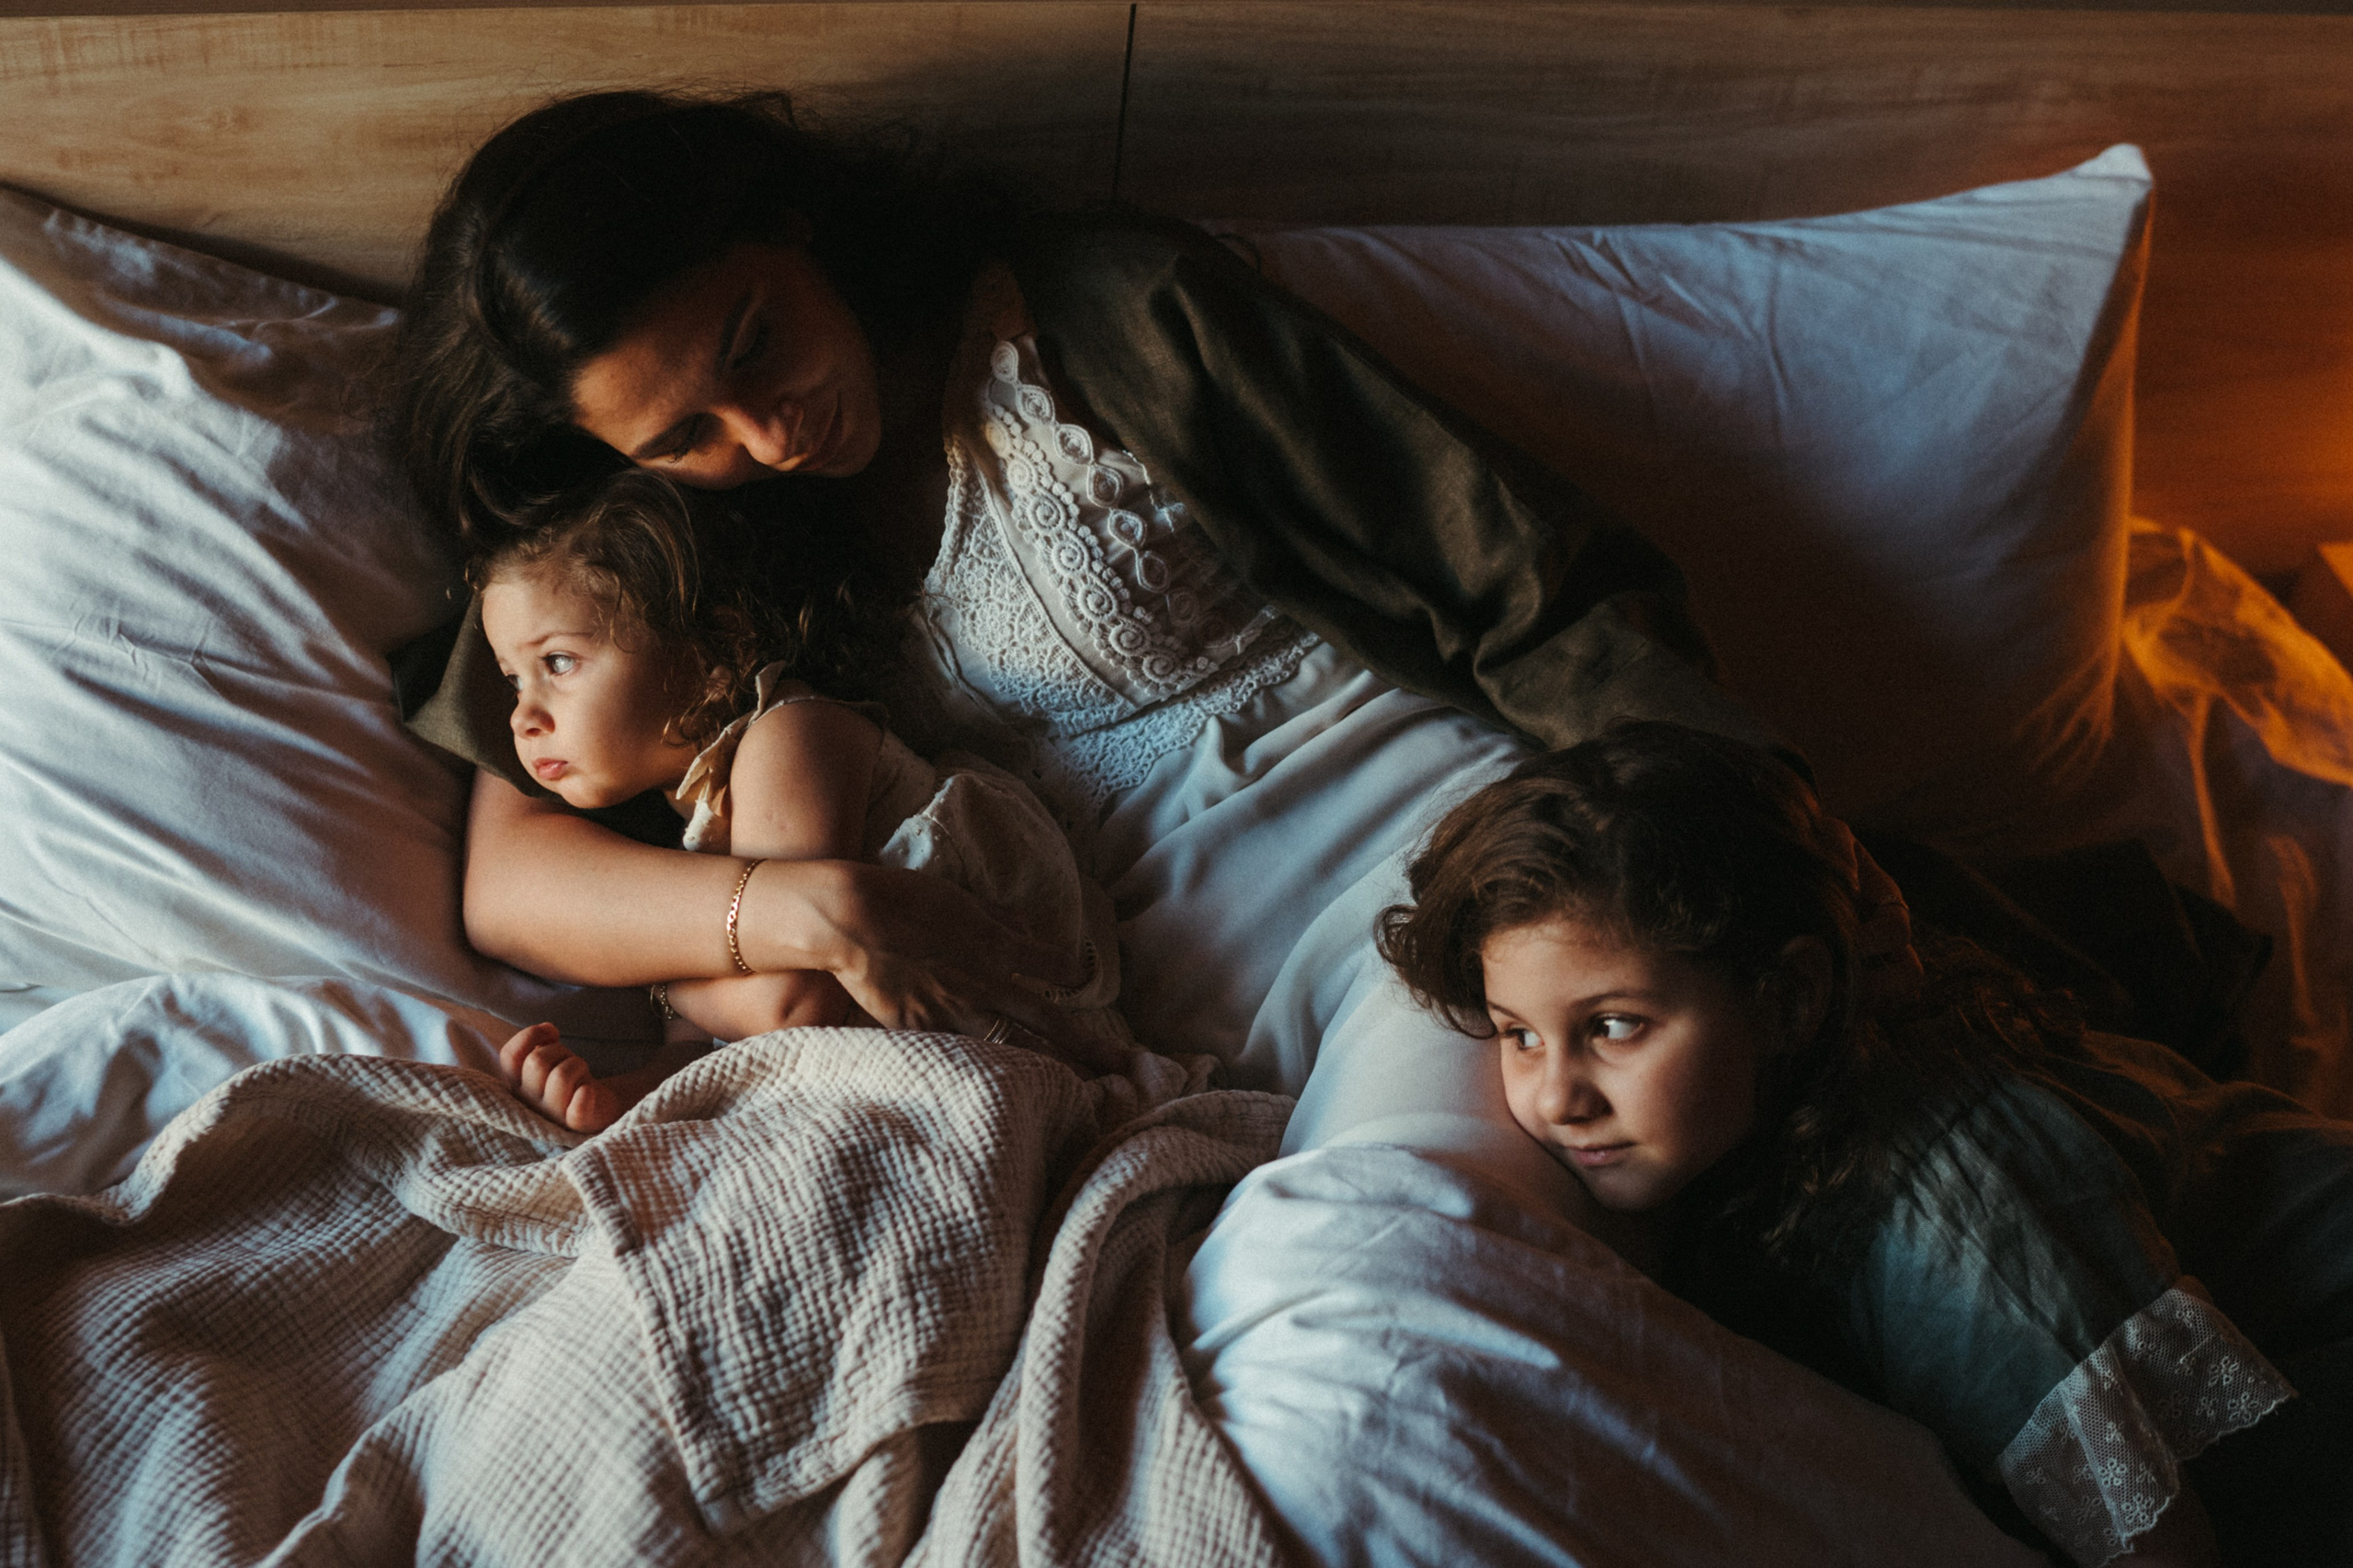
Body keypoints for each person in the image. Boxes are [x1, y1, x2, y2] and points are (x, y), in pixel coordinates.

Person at [382, 86, 1861, 1099]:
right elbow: (513, 876)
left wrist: (1743, 848)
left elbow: (1524, 574)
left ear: (793, 222)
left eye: (757, 343)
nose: (766, 433)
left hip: (1458, 877)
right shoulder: (668, 545)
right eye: (680, 435)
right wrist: (806, 907)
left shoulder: (1102, 318)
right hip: (1209, 1042)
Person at [1376, 722, 2353, 1568]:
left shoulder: (1950, 1215)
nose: (1554, 1095)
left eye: (1615, 1025)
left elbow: (2164, 1547)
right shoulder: (1758, 1129)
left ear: (1786, 998)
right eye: (1519, 1033)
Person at [472, 467, 1128, 1130]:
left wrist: (657, 979)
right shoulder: (693, 829)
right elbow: (716, 1058)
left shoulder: (789, 731)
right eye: (512, 681)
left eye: (557, 663)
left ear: (711, 652)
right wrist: (619, 1097)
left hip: (1022, 1068)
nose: (523, 717)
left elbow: (787, 1007)